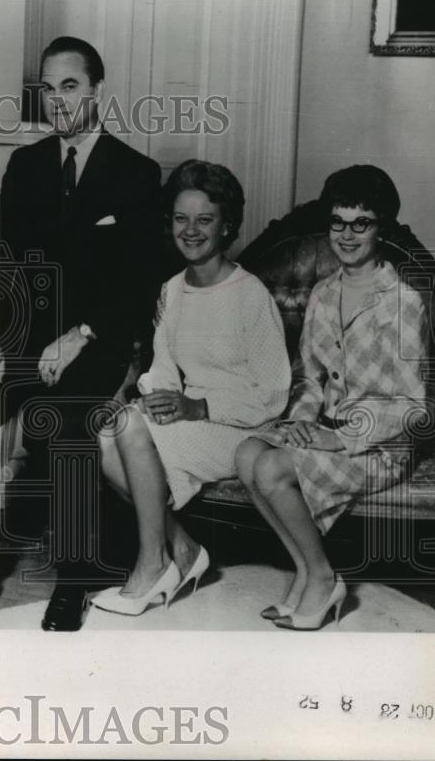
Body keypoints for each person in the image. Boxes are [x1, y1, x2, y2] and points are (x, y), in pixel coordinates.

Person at [0, 36, 168, 631]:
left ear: (96, 91)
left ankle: (74, 575)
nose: (58, 100)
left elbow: (139, 282)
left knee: (67, 418)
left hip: (98, 341)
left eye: (70, 86)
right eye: (48, 88)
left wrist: (81, 334)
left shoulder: (136, 173)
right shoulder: (26, 163)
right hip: (22, 337)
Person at [235, 165, 429, 630]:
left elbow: (411, 405)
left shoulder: (402, 302)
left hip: (378, 448)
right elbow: (311, 378)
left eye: (360, 223)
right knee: (246, 454)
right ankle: (305, 570)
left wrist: (340, 439)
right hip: (325, 428)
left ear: (380, 227)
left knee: (270, 467)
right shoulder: (323, 293)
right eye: (338, 222)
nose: (346, 234)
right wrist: (302, 423)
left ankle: (323, 577)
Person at [94, 160, 291, 616]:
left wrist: (198, 406)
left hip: (243, 430)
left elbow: (274, 394)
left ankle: (152, 564)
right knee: (109, 436)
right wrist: (160, 401)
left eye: (205, 220)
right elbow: (164, 368)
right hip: (192, 417)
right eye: (181, 219)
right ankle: (182, 548)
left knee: (123, 430)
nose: (191, 230)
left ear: (227, 227)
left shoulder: (250, 294)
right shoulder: (171, 290)